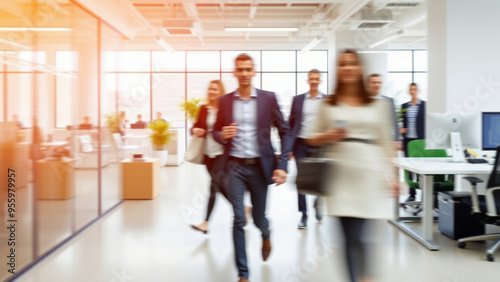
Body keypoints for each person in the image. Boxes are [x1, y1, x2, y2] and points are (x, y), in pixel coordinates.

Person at [307, 49, 398, 282]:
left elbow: (386, 142)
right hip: (339, 174)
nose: (348, 67)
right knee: (348, 235)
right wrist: (329, 134)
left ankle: (365, 275)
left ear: (360, 69)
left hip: (369, 172)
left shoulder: (377, 105)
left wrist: (394, 176)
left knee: (363, 233)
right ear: (338, 70)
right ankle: (357, 277)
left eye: (352, 63)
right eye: (343, 64)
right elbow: (312, 138)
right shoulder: (328, 104)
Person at [213, 53, 292, 282]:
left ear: (254, 71)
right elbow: (216, 131)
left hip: (260, 167)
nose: (245, 73)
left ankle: (266, 233)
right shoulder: (226, 101)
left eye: (248, 69)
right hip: (234, 166)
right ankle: (243, 275)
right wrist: (221, 134)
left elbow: (285, 131)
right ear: (235, 73)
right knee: (238, 218)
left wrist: (283, 164)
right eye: (240, 69)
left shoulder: (268, 99)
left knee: (259, 219)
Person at [190, 80, 228, 234]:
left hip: (221, 153)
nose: (212, 92)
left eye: (215, 89)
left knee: (213, 186)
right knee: (220, 187)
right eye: (210, 89)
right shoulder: (203, 109)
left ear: (220, 91)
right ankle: (243, 208)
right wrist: (195, 131)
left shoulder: (225, 109)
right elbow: (194, 126)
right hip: (208, 154)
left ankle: (205, 223)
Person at [289, 69, 324, 229]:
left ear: (320, 80)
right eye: (312, 79)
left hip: (320, 144)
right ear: (307, 80)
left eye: (317, 79)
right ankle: (303, 214)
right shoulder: (298, 100)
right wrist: (288, 148)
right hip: (301, 143)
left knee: (320, 179)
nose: (314, 81)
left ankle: (318, 203)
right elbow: (290, 124)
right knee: (302, 180)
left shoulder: (327, 100)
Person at [400, 82, 426, 202]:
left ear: (418, 91)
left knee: (422, 167)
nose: (413, 91)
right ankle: (412, 194)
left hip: (420, 140)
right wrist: (401, 129)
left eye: (415, 89)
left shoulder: (425, 105)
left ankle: (426, 193)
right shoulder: (404, 106)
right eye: (411, 89)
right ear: (408, 91)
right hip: (408, 141)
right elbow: (401, 122)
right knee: (409, 168)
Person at [366, 74, 402, 150]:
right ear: (368, 84)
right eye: (374, 82)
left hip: (386, 141)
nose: (377, 84)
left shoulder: (389, 101)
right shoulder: (362, 102)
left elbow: (394, 122)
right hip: (368, 142)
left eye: (379, 82)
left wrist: (397, 140)